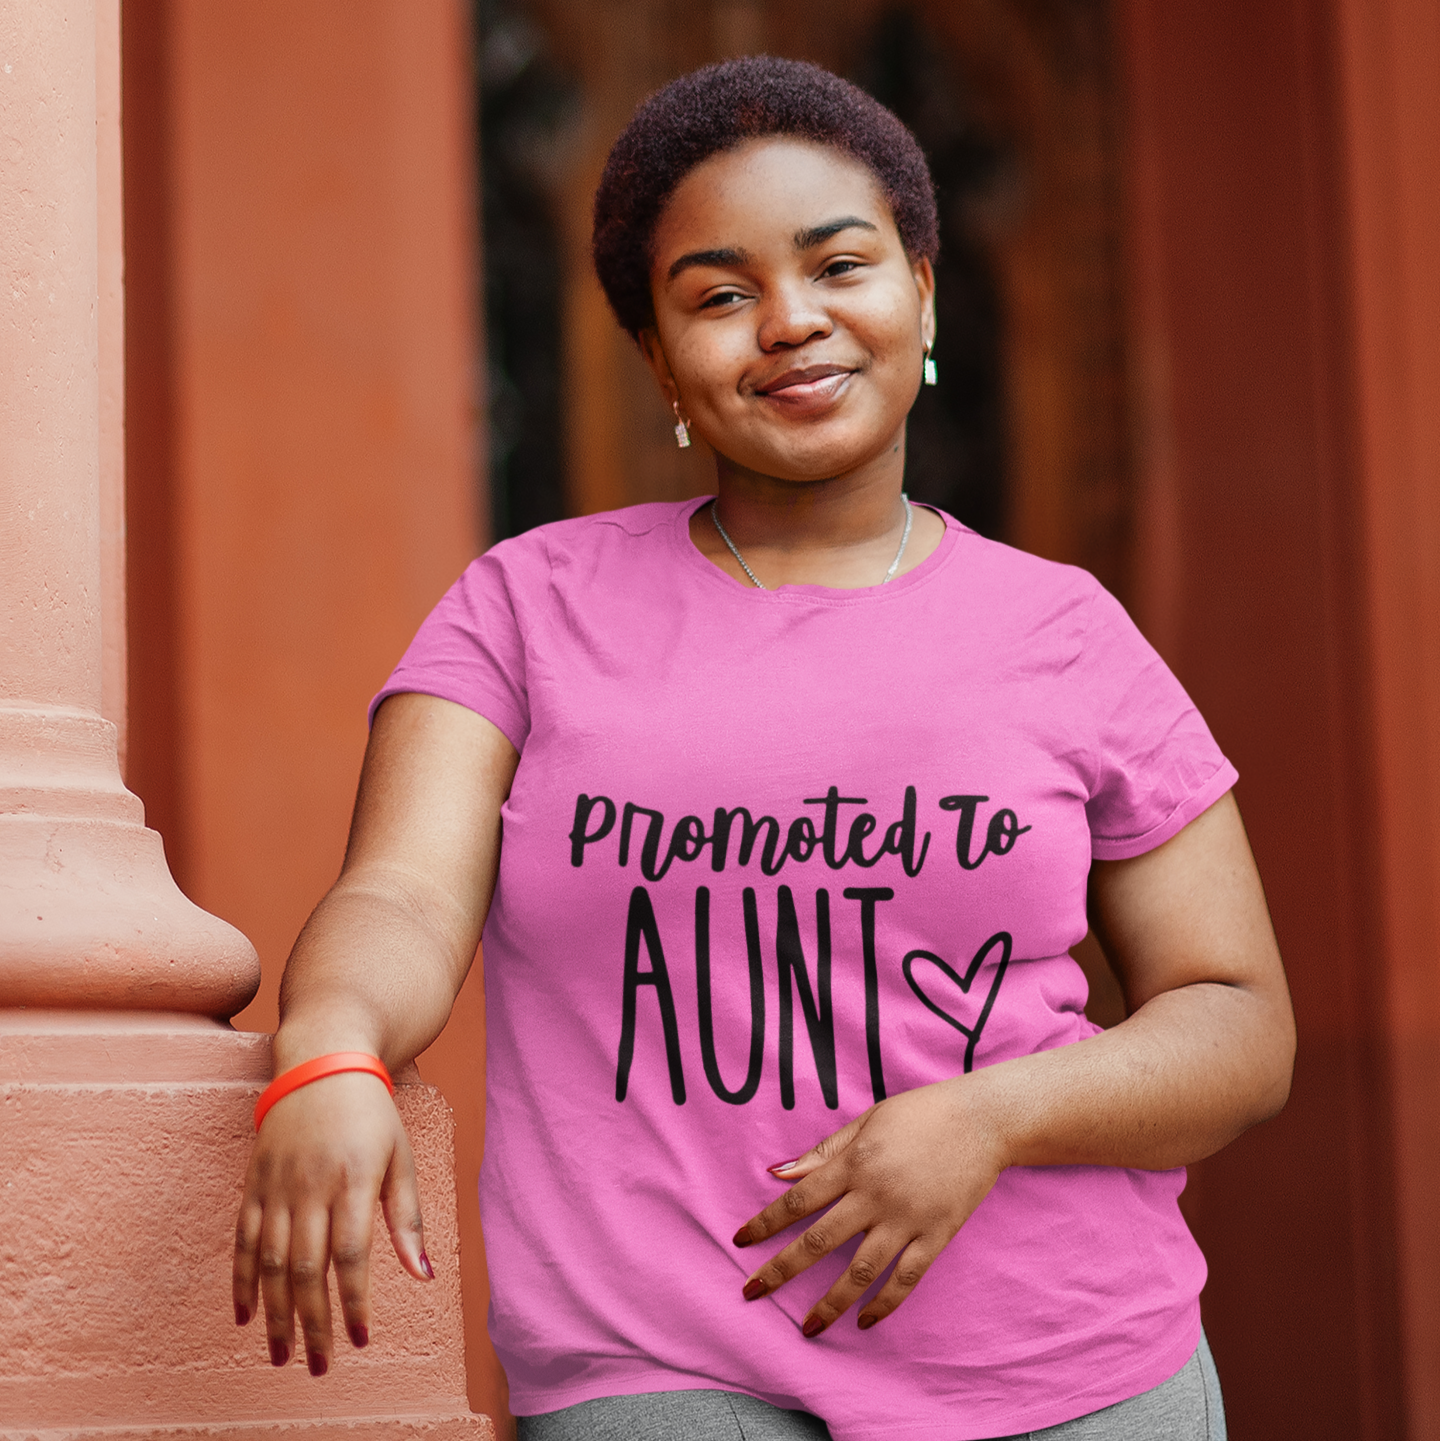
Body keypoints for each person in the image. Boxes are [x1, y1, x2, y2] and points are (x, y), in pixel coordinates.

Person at [233, 56, 1294, 1441]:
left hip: (1067, 1370)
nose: (789, 323)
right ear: (661, 359)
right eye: (719, 296)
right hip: (661, 1357)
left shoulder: (1065, 631)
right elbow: (405, 895)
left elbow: (1235, 1018)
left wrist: (990, 1118)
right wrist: (332, 1051)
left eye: (838, 266)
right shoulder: (526, 609)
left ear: (921, 291)